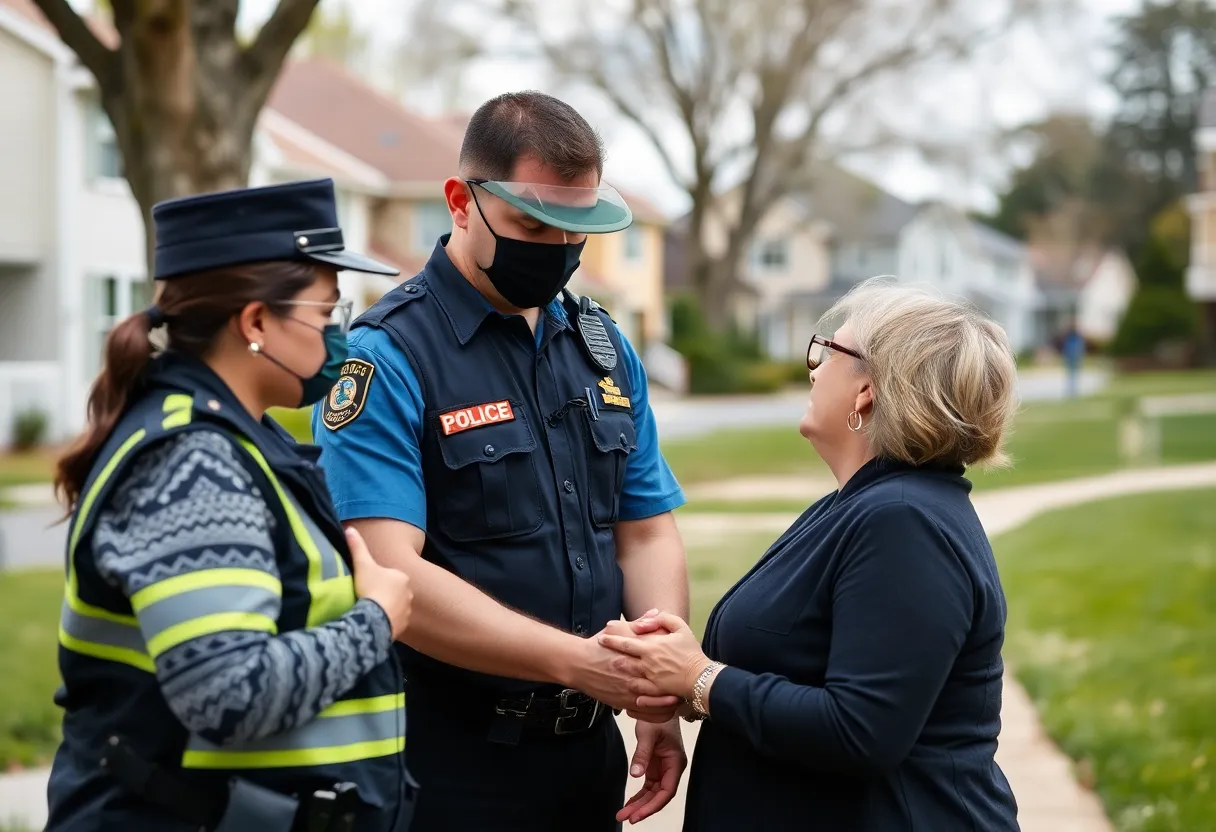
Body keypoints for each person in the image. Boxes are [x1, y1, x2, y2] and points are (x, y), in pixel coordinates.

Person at [311, 91, 690, 831]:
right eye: (532, 225)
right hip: (449, 763)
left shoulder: (602, 347)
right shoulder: (387, 356)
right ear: (461, 203)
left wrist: (656, 684)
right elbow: (388, 570)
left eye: (576, 229)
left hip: (585, 756)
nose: (558, 249)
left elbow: (644, 531)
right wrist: (576, 662)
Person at [45, 178, 419, 832]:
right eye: (325, 313)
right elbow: (229, 695)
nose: (339, 335)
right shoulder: (193, 465)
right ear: (255, 323)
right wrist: (376, 619)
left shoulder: (240, 439)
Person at [600, 278, 1023, 831]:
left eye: (829, 351)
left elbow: (860, 731)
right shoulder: (860, 505)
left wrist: (700, 678)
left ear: (868, 389)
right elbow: (798, 671)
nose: (815, 369)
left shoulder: (904, 521)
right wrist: (684, 687)